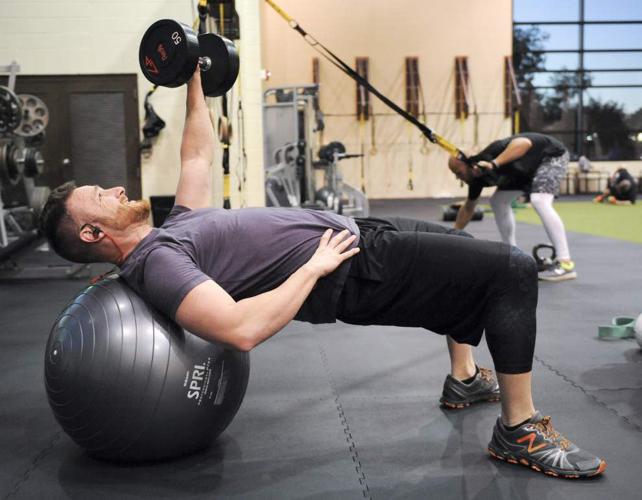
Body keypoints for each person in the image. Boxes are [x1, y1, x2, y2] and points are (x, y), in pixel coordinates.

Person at [39, 72, 605, 478]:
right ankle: (519, 428)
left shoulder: (170, 231)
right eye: (100, 197)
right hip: (353, 271)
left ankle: (464, 377)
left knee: (463, 248)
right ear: (93, 235)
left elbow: (196, 158)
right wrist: (311, 267)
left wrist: (194, 79)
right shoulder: (156, 264)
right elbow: (239, 329)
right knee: (510, 271)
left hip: (357, 231)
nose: (115, 188)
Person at [447, 133, 576, 282]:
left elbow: (524, 143)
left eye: (458, 173)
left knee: (540, 200)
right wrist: (452, 236)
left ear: (469, 164)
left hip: (551, 156)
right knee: (498, 201)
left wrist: (494, 163)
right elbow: (468, 208)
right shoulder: (477, 179)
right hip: (523, 172)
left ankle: (565, 263)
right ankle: (513, 256)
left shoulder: (491, 153)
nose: (458, 178)